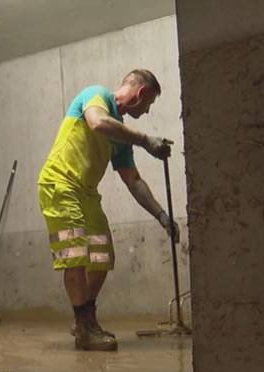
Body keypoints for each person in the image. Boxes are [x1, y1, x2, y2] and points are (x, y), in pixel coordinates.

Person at [38, 70, 179, 351]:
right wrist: (145, 139)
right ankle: (85, 329)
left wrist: (161, 215)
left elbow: (133, 180)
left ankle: (85, 319)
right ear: (140, 94)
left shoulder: (122, 135)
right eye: (149, 103)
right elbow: (97, 123)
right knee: (75, 257)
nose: (148, 110)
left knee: (102, 258)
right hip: (60, 185)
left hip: (87, 194)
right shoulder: (96, 95)